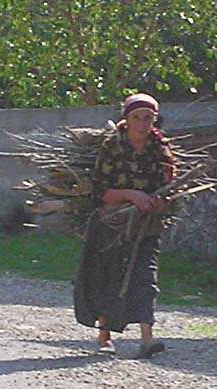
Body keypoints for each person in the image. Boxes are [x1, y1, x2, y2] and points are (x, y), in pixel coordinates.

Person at [74, 93, 175, 358]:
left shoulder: (160, 147)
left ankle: (146, 338)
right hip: (113, 221)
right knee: (107, 274)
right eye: (137, 118)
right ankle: (105, 335)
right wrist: (132, 195)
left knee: (146, 278)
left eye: (148, 118)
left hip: (147, 223)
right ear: (126, 120)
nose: (143, 124)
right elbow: (100, 192)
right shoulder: (112, 146)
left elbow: (168, 187)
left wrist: (160, 203)